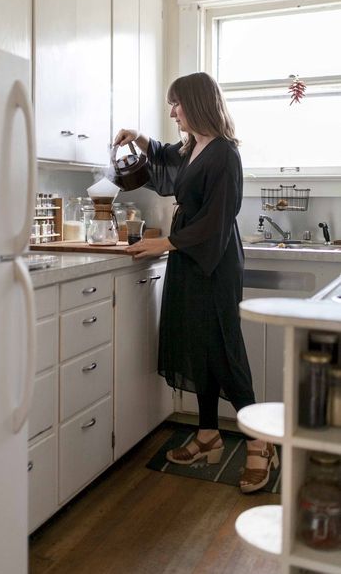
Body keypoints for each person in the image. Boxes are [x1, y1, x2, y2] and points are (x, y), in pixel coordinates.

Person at [113, 71, 279, 494]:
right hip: (189, 259)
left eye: (176, 104)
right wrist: (141, 138)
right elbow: (169, 157)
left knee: (223, 349)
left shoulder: (225, 154)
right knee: (198, 345)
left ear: (197, 102)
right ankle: (208, 436)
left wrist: (166, 243)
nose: (172, 112)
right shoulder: (194, 147)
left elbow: (217, 220)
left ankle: (261, 442)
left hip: (214, 261)